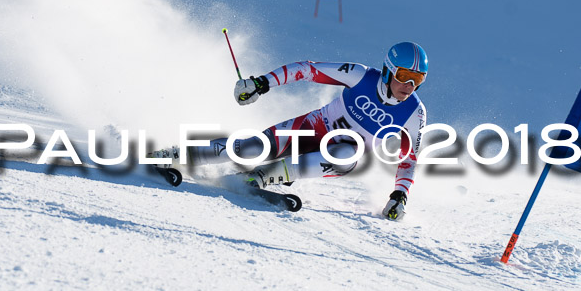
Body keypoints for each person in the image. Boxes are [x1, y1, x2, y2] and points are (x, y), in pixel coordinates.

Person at [153, 42, 428, 220]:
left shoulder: (413, 114)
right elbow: (306, 70)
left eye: (418, 80)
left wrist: (399, 196)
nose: (410, 86)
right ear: (388, 71)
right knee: (250, 148)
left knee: (346, 153)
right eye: (404, 76)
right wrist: (261, 83)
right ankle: (174, 155)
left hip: (337, 156)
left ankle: (259, 179)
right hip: (310, 128)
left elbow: (409, 160)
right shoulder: (360, 75)